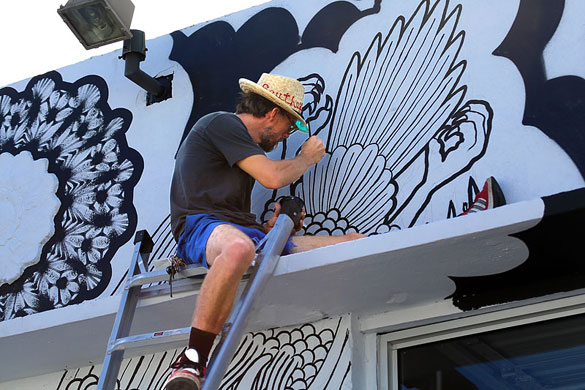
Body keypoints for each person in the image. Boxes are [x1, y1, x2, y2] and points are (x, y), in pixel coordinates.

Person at [164, 73, 365, 390]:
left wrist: (272, 227)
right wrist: (306, 159)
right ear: (274, 113)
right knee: (238, 250)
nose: (287, 136)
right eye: (291, 125)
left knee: (352, 243)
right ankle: (190, 361)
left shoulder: (237, 147)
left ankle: (194, 360)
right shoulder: (222, 124)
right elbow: (272, 177)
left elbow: (241, 211)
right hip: (200, 225)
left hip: (238, 230)